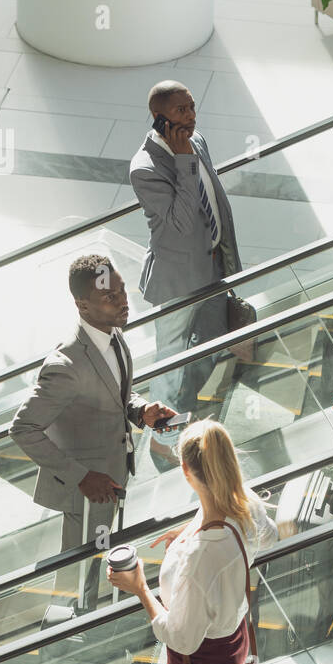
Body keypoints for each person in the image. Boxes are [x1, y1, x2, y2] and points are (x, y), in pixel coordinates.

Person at [9, 254, 175, 610]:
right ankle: (71, 629)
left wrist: (140, 410)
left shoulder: (112, 335)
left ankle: (89, 614)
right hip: (87, 491)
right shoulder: (66, 366)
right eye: (109, 297)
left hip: (111, 478)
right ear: (82, 305)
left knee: (100, 558)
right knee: (79, 569)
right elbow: (23, 429)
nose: (122, 301)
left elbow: (115, 393)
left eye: (121, 290)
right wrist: (81, 477)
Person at [107, 419, 276, 664]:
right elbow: (267, 536)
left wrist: (140, 589)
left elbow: (183, 639)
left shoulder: (199, 558)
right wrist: (189, 531)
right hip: (234, 644)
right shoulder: (246, 504)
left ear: (186, 470)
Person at [130, 81, 242, 446]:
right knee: (171, 357)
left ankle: (190, 408)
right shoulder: (145, 168)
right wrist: (182, 161)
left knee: (211, 337)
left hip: (211, 262)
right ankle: (164, 439)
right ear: (159, 118)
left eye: (192, 106)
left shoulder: (198, 142)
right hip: (178, 277)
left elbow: (216, 200)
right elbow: (181, 222)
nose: (191, 116)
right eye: (181, 111)